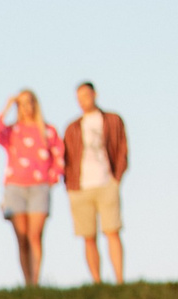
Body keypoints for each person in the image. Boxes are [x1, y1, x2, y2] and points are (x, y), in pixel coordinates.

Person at [0, 91, 63, 288]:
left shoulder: (48, 130)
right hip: (15, 188)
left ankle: (36, 280)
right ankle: (28, 282)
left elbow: (59, 155)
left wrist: (53, 176)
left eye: (29, 103)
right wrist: (7, 106)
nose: (26, 107)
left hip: (39, 187)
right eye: (20, 104)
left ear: (35, 104)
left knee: (34, 235)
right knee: (21, 238)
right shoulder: (12, 131)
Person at [63, 83, 129, 284]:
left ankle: (119, 280)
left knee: (112, 231)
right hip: (80, 187)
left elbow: (122, 149)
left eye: (86, 95)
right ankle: (97, 282)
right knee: (88, 236)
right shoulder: (72, 128)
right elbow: (66, 158)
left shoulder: (113, 120)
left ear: (95, 94)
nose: (83, 101)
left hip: (106, 182)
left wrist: (116, 178)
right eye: (79, 98)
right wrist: (69, 185)